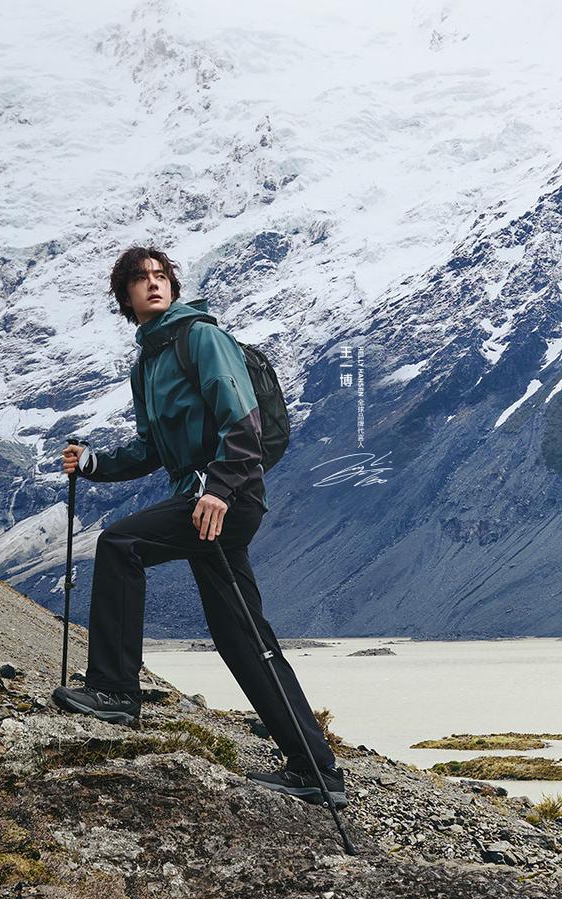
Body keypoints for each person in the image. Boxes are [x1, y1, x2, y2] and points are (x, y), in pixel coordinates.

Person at [52, 245, 347, 808]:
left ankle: (114, 690)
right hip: (203, 497)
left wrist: (218, 487)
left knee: (121, 544)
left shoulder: (199, 338)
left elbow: (243, 420)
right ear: (125, 298)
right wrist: (94, 464)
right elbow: (150, 449)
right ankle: (317, 772)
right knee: (243, 637)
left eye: (161, 276)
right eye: (140, 280)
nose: (153, 285)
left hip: (225, 498)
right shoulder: (148, 364)